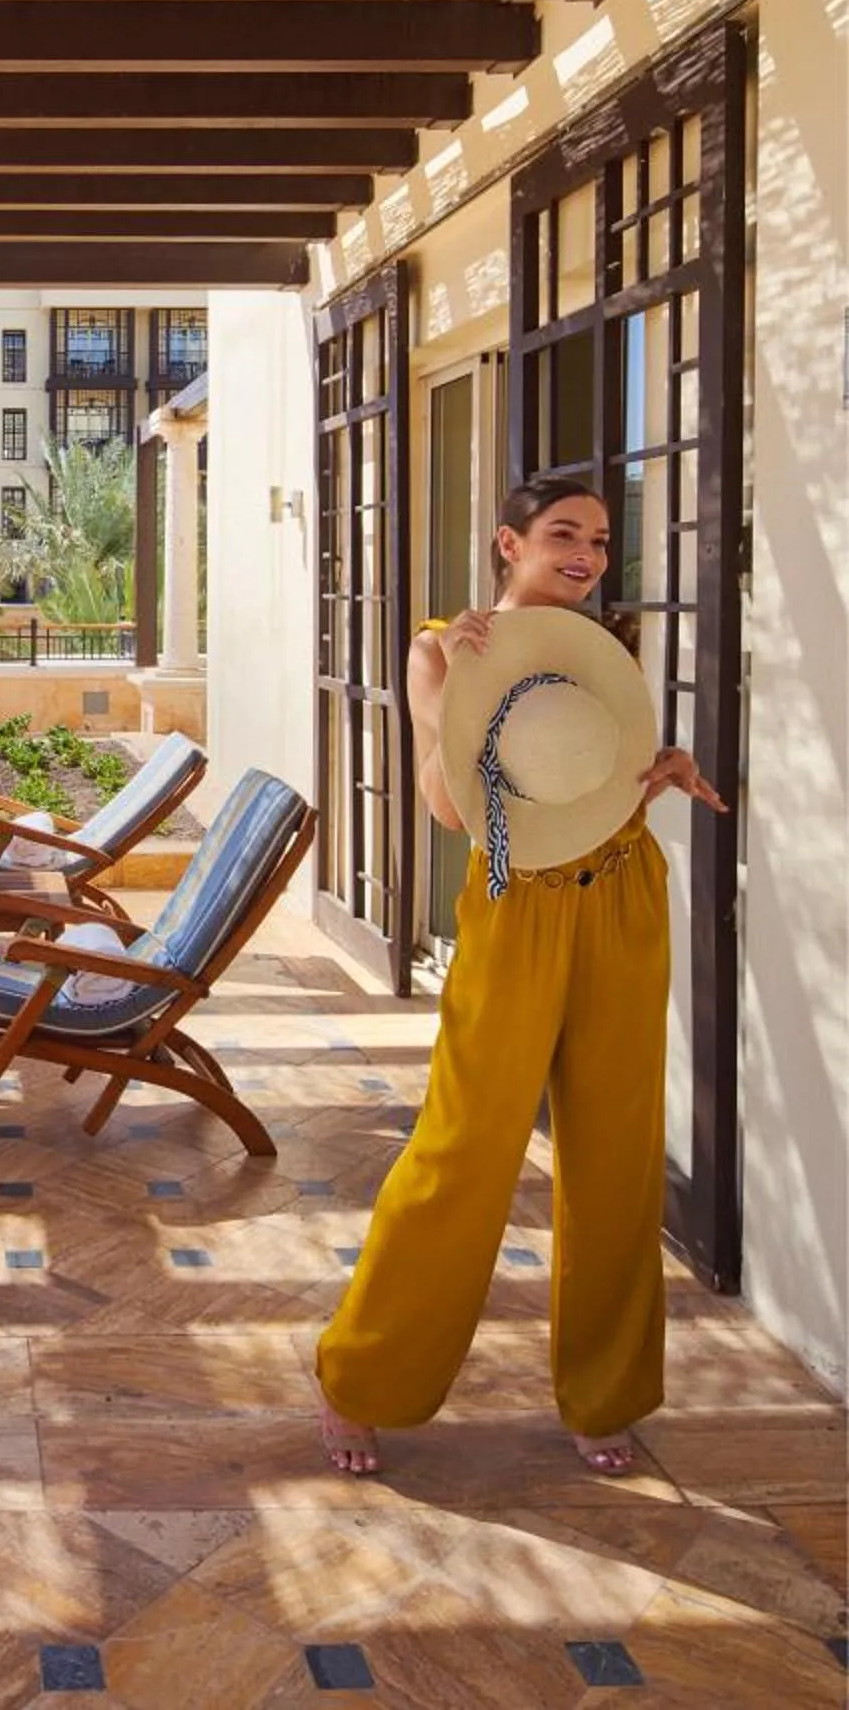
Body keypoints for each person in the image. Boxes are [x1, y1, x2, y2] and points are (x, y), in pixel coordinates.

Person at [313, 472, 727, 1478]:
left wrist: (659, 771)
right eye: (562, 534)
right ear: (509, 543)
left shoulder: (603, 648)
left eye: (598, 539)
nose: (585, 555)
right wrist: (461, 686)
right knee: (464, 1146)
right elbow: (447, 807)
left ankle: (604, 1392)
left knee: (616, 1151)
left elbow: (594, 784)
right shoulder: (437, 646)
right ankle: (362, 1381)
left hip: (622, 892)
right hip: (515, 904)